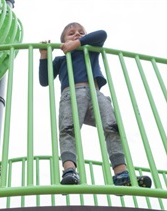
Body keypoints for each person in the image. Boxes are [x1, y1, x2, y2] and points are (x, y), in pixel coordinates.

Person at [39, 22, 152, 188]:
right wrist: (44, 55)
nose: (77, 34)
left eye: (81, 32)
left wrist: (76, 43)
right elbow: (44, 80)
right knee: (68, 129)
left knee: (112, 127)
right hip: (72, 94)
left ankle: (121, 173)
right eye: (71, 33)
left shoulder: (90, 50)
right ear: (63, 41)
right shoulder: (61, 59)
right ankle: (69, 170)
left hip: (95, 93)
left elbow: (102, 34)